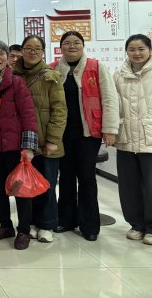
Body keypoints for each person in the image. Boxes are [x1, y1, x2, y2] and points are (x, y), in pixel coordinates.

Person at [52, 31, 119, 241]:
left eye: (76, 43)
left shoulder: (96, 67)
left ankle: (89, 225)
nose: (72, 46)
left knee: (87, 177)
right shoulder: (53, 69)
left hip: (89, 133)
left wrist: (110, 129)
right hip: (62, 133)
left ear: (82, 46)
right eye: (67, 43)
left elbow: (109, 99)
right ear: (61, 47)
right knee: (66, 176)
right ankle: (66, 220)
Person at [0, 41, 39, 250]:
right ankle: (5, 226)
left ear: (7, 57)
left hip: (16, 147)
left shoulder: (17, 82)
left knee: (21, 190)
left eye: (1, 54)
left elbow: (28, 114)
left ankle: (24, 230)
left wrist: (28, 147)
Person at [12, 35, 67, 243]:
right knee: (26, 185)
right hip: (22, 141)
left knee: (46, 185)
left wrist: (53, 139)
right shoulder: (12, 74)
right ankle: (31, 222)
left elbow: (59, 111)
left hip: (46, 141)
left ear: (43, 52)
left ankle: (46, 225)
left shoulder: (51, 77)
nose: (32, 52)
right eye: (28, 48)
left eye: (37, 49)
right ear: (22, 50)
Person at [113, 34, 152, 245]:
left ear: (150, 50)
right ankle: (136, 224)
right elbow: (112, 105)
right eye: (132, 49)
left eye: (141, 49)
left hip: (150, 139)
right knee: (129, 186)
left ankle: (151, 227)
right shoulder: (118, 75)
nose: (136, 53)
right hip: (126, 138)